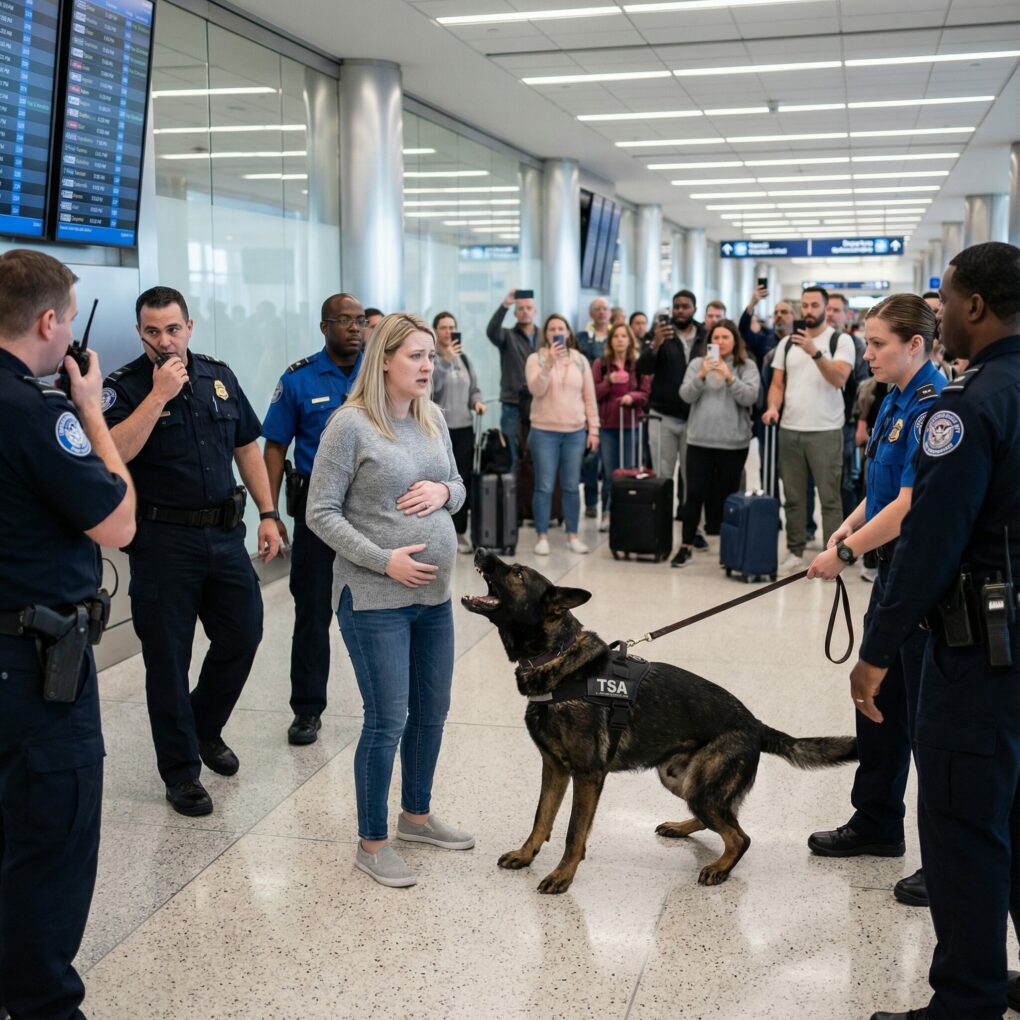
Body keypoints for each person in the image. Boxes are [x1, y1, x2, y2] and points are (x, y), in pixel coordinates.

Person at [852, 243, 1020, 1020]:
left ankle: (966, 1002)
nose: (940, 309)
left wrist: (877, 650)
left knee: (961, 829)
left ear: (976, 306)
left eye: (946, 298)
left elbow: (928, 545)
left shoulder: (966, 406)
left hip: (977, 652)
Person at [0, 249, 136, 1020]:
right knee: (49, 844)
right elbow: (118, 520)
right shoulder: (37, 413)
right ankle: (42, 1005)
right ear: (52, 321)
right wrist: (88, 410)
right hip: (35, 668)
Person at [305, 312, 472, 889]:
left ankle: (417, 817)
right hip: (375, 596)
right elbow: (319, 512)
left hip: (435, 596)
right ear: (384, 361)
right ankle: (372, 844)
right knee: (388, 719)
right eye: (415, 357)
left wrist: (444, 491)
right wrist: (385, 560)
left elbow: (458, 485)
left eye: (431, 355)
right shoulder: (349, 426)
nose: (428, 366)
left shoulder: (431, 419)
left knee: (433, 710)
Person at [103, 286, 281, 817]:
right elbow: (114, 454)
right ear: (140, 333)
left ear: (190, 327)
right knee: (167, 660)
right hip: (163, 543)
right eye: (153, 332)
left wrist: (269, 513)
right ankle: (180, 773)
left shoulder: (217, 375)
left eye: (173, 329)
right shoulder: (125, 387)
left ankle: (204, 727)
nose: (164, 341)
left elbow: (246, 445)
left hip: (224, 535)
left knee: (244, 633)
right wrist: (157, 395)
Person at [805, 295, 945, 911]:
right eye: (867, 343)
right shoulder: (891, 398)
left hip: (918, 581)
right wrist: (846, 532)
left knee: (926, 719)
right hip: (887, 574)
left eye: (879, 344)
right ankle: (877, 822)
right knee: (878, 704)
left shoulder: (934, 406)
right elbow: (881, 490)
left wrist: (848, 551)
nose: (869, 354)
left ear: (915, 344)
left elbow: (912, 504)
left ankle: (941, 859)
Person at [262, 293, 365, 746]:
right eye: (345, 320)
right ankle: (307, 710)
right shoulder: (299, 379)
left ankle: (386, 705)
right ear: (325, 326)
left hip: (371, 513)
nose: (356, 328)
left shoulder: (381, 373)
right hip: (317, 515)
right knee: (312, 614)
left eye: (361, 320)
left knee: (380, 611)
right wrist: (268, 511)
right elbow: (274, 447)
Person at [762, 286, 856, 574]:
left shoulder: (841, 341)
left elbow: (839, 378)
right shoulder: (787, 344)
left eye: (815, 305)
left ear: (826, 309)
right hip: (790, 429)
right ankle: (795, 550)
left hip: (826, 430)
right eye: (804, 305)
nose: (809, 311)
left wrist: (814, 352)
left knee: (829, 497)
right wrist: (773, 407)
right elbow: (778, 383)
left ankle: (833, 553)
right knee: (793, 496)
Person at [671, 319, 761, 567]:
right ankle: (686, 546)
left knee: (728, 497)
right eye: (716, 338)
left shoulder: (747, 366)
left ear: (735, 341)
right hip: (699, 441)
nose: (719, 343)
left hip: (733, 444)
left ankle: (729, 549)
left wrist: (729, 377)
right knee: (694, 495)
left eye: (725, 338)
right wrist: (701, 376)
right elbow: (685, 395)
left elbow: (750, 397)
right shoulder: (697, 364)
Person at [525, 314, 600, 556]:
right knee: (544, 486)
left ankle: (572, 535)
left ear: (568, 333)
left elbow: (589, 397)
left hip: (575, 432)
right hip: (544, 431)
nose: (557, 332)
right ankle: (542, 535)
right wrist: (549, 363)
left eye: (561, 328)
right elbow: (536, 389)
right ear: (545, 334)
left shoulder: (580, 360)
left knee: (570, 486)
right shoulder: (535, 359)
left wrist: (594, 430)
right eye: (552, 328)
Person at [637, 289, 708, 533]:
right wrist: (655, 343)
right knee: (663, 476)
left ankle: (693, 529)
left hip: (695, 418)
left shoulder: (705, 335)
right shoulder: (659, 333)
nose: (680, 311)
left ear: (694, 309)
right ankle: (661, 526)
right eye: (676, 306)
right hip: (662, 417)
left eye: (685, 306)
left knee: (693, 479)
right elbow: (643, 368)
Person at [430, 310, 486, 553]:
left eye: (452, 327)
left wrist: (477, 402)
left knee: (461, 480)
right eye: (443, 327)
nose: (448, 331)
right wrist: (445, 362)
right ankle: (441, 531)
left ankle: (460, 531)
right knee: (439, 479)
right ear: (435, 331)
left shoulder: (465, 359)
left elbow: (474, 388)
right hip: (440, 430)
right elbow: (434, 391)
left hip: (464, 428)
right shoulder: (432, 360)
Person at [592, 322, 650, 532]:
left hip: (631, 424)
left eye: (624, 336)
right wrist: (609, 381)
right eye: (616, 336)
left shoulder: (638, 364)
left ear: (630, 340)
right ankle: (607, 512)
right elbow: (594, 393)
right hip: (608, 426)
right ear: (610, 340)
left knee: (628, 471)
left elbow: (645, 393)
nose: (619, 339)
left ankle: (626, 511)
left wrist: (630, 397)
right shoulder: (601, 364)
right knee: (610, 473)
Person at [487, 289, 538, 466]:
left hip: (539, 403)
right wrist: (505, 304)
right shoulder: (507, 336)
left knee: (537, 453)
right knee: (511, 454)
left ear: (535, 311)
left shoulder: (544, 338)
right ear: (515, 313)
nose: (525, 311)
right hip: (512, 404)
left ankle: (533, 492)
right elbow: (491, 331)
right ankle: (513, 493)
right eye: (521, 308)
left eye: (528, 308)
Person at [576, 296, 613, 517]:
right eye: (597, 309)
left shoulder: (616, 336)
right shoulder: (582, 338)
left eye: (605, 309)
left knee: (607, 459)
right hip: (585, 401)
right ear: (591, 313)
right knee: (590, 456)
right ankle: (590, 501)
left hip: (609, 403)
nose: (601, 312)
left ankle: (608, 503)